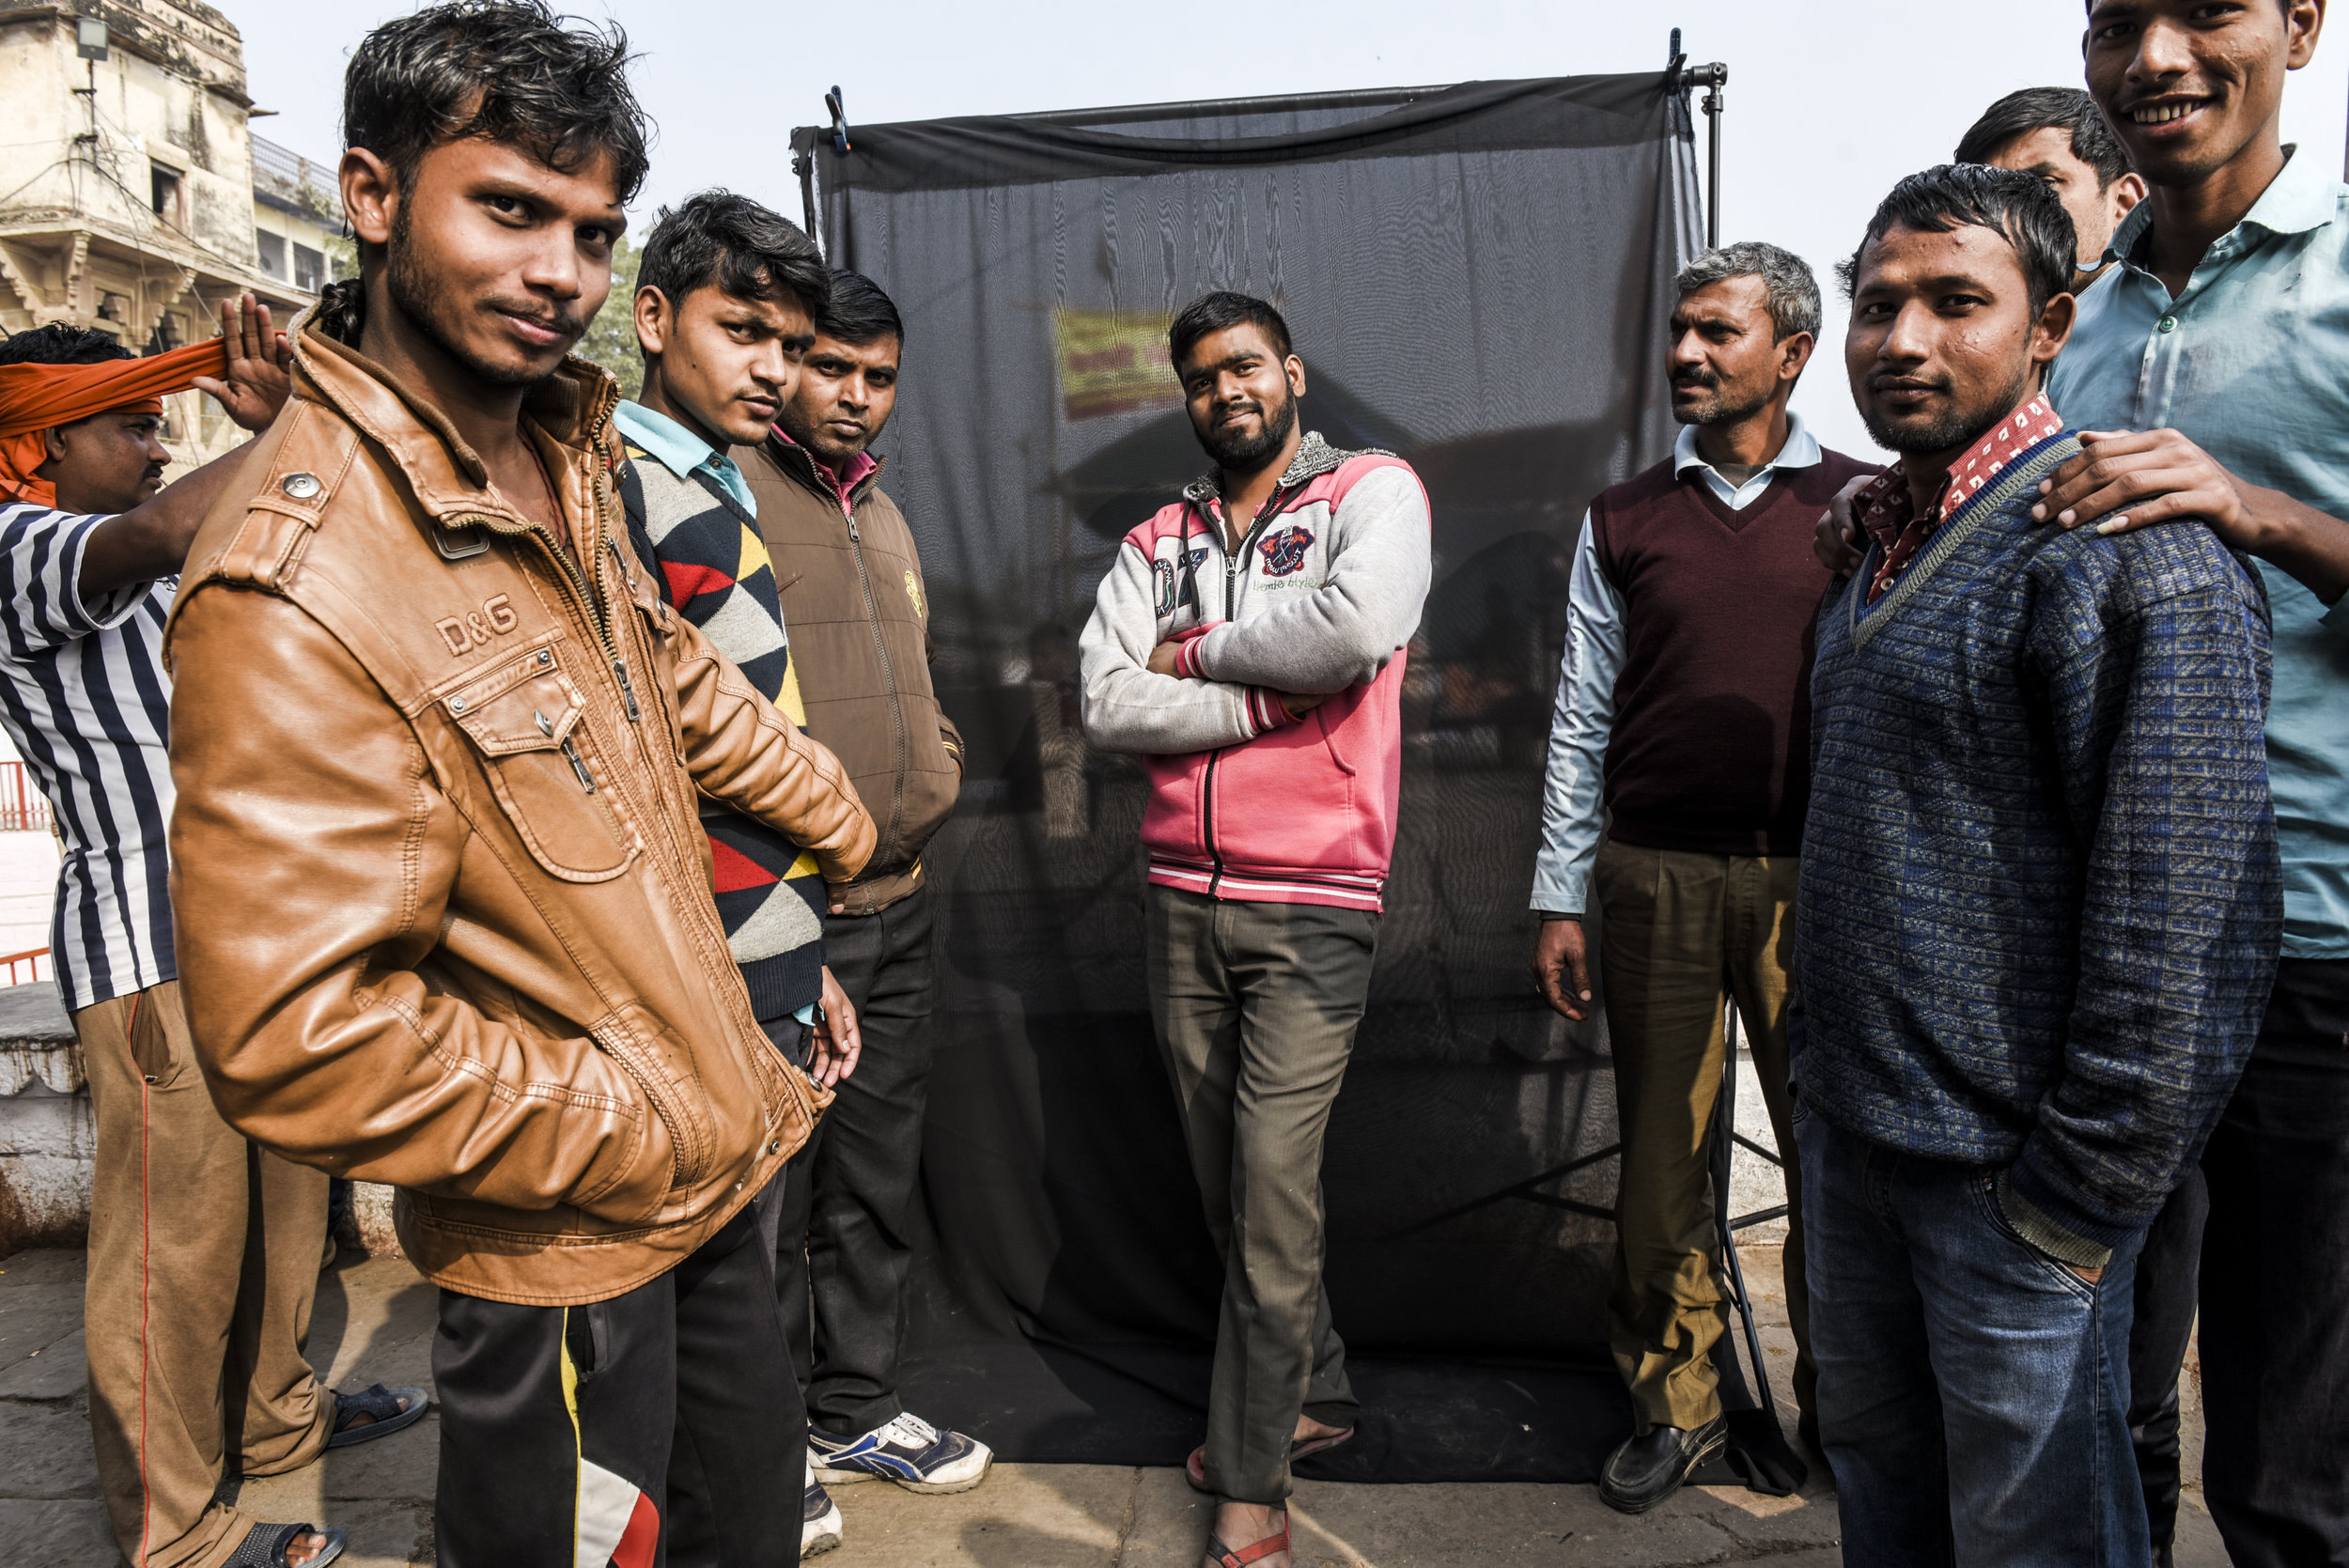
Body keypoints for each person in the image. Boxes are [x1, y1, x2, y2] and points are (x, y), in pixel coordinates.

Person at [161, 8, 876, 1566]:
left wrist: (836, 815)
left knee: (746, 1526)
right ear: (370, 196)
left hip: (706, 1171)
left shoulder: (560, 456)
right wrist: (636, 1112)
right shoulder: (296, 577)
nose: (561, 269)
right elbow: (295, 1036)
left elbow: (659, 676)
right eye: (508, 209)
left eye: (592, 231)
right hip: (567, 1230)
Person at [1796, 163, 2278, 1564]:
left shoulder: (2130, 557)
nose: (1903, 340)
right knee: (1885, 1501)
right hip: (1857, 1153)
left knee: (2038, 1540)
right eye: (1877, 305)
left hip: (2009, 1196)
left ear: (2050, 325)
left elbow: (2187, 923)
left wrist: (2076, 1197)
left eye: (1957, 303)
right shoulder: (1878, 544)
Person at [0, 303, 427, 1568]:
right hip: (150, 951)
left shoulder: (144, 554)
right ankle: (172, 1527)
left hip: (256, 933)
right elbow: (169, 524)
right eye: (131, 426)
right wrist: (296, 417)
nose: (157, 447)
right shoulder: (19, 541)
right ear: (41, 441)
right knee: (170, 1250)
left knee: (286, 1202)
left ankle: (274, 1415)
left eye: (159, 424)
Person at [2034, 4, 2349, 1560]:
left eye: (2206, 8)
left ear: (2303, 25)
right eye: (2116, 20)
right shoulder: (2076, 320)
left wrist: (2256, 508)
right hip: (2102, 952)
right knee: (2094, 1409)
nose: (2154, 55)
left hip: (2314, 943)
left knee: (2293, 1461)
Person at [1079, 290, 1429, 1568]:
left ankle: (1248, 1484)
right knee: (1235, 1194)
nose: (1224, 391)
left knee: (1272, 1192)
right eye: (1200, 377)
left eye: (1244, 367)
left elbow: (1352, 631)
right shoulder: (1155, 537)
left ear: (1291, 371)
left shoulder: (1371, 492)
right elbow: (1104, 701)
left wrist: (1196, 653)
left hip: (1314, 903)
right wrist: (1254, 705)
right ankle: (1313, 1391)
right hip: (1180, 895)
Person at [1528, 241, 1875, 1510]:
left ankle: (1856, 1413)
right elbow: (1582, 710)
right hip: (1653, 879)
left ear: (1791, 354)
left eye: (1717, 331)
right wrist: (1558, 891)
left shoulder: (1868, 501)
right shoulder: (1623, 516)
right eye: (1679, 329)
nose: (1685, 352)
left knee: (1837, 1163)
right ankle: (1673, 1406)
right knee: (1662, 1167)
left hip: (1815, 883)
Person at [610, 189, 870, 1561]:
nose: (774, 369)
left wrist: (801, 952)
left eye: (791, 345)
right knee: (645, 1379)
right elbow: (662, 763)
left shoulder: (714, 482)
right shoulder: (613, 488)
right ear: (653, 318)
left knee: (735, 1328)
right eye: (743, 331)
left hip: (761, 974)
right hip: (679, 996)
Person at [743, 271, 991, 1506]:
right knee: (771, 1195)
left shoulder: (881, 513)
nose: (854, 395)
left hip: (899, 901)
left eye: (878, 376)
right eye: (830, 367)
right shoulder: (734, 494)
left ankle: (854, 1409)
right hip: (785, 911)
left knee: (875, 1180)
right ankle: (762, 1448)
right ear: (785, 362)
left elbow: (913, 673)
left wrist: (934, 762)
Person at [1954, 86, 2146, 285]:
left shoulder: (2162, 299)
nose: (2004, 212)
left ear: (2124, 204)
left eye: (2045, 184)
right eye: (1985, 195)